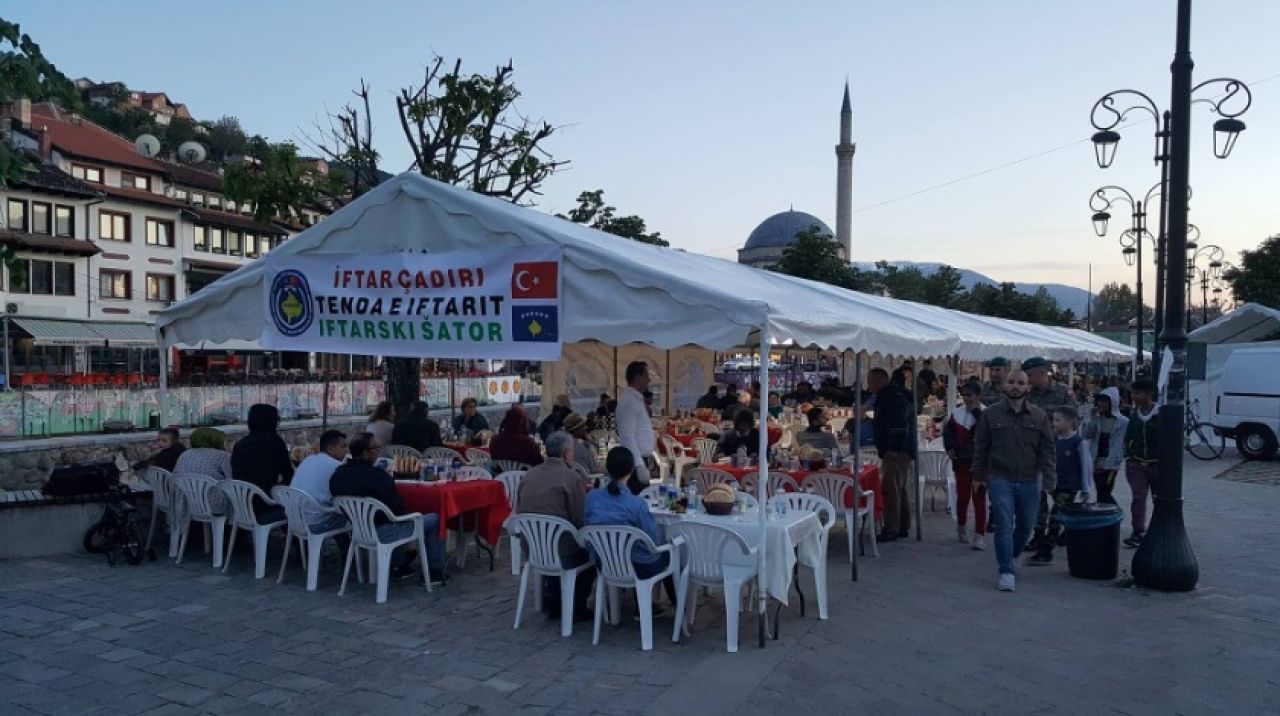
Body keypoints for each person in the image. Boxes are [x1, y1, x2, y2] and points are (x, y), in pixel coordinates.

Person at [972, 370, 1056, 592]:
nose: (1015, 386)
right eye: (1011, 382)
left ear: (1028, 387)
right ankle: (1006, 570)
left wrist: (1050, 480)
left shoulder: (1039, 417)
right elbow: (980, 447)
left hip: (1030, 479)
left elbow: (1047, 450)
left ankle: (1012, 555)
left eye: (1020, 383)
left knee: (1026, 525)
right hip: (1000, 477)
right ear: (1004, 386)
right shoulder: (990, 415)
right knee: (1003, 524)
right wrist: (978, 476)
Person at [329, 433, 446, 583]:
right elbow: (397, 510)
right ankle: (435, 572)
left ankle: (399, 563)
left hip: (358, 530)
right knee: (435, 519)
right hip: (384, 532)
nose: (379, 451)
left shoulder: (338, 474)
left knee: (389, 519)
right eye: (376, 448)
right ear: (366, 453)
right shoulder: (378, 476)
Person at [585, 447, 678, 613]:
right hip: (637, 566)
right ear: (631, 470)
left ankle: (643, 605)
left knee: (634, 549)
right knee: (669, 553)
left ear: (607, 468)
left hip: (604, 562)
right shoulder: (636, 504)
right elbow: (653, 542)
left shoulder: (592, 497)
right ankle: (677, 608)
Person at [516, 431, 595, 619]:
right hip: (559, 551)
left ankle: (554, 597)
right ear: (567, 453)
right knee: (592, 553)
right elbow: (579, 519)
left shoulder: (529, 475)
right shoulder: (570, 478)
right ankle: (576, 605)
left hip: (532, 548)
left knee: (557, 539)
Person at [1028, 406, 1096, 565]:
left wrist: (1086, 488)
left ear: (1071, 422)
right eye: (1053, 420)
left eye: (1058, 420)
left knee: (1056, 519)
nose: (1054, 424)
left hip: (1068, 487)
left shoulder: (1079, 443)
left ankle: (1046, 552)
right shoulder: (1053, 440)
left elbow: (1086, 467)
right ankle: (1043, 540)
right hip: (1051, 484)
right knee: (1042, 513)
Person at [870, 367, 915, 542]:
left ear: (881, 380)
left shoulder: (891, 397)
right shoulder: (893, 394)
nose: (869, 385)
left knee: (890, 488)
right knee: (899, 488)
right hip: (901, 448)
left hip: (897, 450)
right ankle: (903, 524)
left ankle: (891, 528)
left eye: (871, 380)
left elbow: (899, 425)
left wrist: (892, 449)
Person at [231, 404, 293, 522]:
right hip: (265, 506)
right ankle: (296, 540)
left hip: (242, 506)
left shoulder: (240, 445)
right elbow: (288, 474)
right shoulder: (275, 442)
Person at [944, 382, 986, 550]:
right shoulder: (956, 413)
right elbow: (949, 434)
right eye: (965, 395)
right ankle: (961, 527)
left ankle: (979, 534)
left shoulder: (986, 413)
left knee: (979, 499)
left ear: (978, 396)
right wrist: (951, 449)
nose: (967, 398)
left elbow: (988, 436)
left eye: (970, 395)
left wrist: (977, 414)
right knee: (962, 497)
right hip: (961, 462)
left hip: (979, 464)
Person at [1122, 379, 1159, 548]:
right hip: (1136, 463)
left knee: (1159, 498)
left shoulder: (1160, 413)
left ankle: (1159, 530)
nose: (1133, 396)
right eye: (1133, 393)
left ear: (1149, 394)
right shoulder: (1134, 414)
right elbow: (1128, 436)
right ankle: (1138, 531)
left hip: (1157, 464)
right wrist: (1129, 456)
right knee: (1138, 498)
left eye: (1137, 393)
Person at [290, 430, 349, 532]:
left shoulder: (308, 460)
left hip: (293, 519)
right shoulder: (337, 467)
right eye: (343, 447)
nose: (346, 451)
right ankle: (350, 547)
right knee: (353, 516)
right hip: (315, 522)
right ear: (330, 448)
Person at [1082, 387, 1128, 505]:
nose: (1101, 404)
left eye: (1105, 401)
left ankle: (1112, 513)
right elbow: (1087, 435)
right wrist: (1092, 418)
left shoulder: (1123, 421)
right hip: (1096, 461)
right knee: (1100, 489)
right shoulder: (1097, 419)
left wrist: (1122, 454)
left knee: (1105, 491)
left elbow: (1126, 440)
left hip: (1111, 462)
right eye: (1099, 401)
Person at [616, 361, 656, 488]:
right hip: (635, 461)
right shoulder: (629, 402)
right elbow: (627, 436)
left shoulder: (636, 399)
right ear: (638, 378)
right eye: (646, 376)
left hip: (639, 459)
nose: (649, 380)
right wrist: (639, 465)